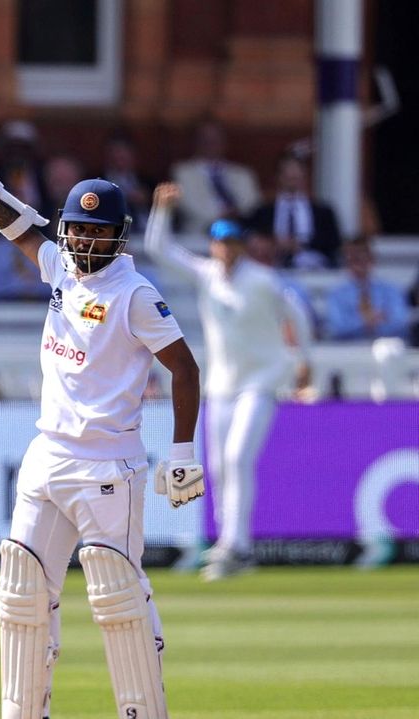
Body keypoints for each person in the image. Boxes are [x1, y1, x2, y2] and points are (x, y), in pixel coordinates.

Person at [0, 150, 202, 719]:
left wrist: (182, 450)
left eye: (96, 233)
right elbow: (20, 228)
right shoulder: (62, 268)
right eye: (76, 229)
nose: (82, 242)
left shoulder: (135, 294)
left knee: (118, 597)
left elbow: (186, 367)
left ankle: (142, 713)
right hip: (46, 455)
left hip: (108, 465)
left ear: (119, 237)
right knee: (21, 592)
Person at [146, 184, 314, 581]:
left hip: (263, 380)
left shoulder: (263, 280)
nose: (226, 249)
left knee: (239, 458)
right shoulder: (206, 275)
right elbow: (158, 249)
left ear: (242, 246)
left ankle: (236, 544)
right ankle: (230, 546)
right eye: (220, 243)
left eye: (232, 243)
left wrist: (304, 359)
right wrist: (161, 209)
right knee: (220, 466)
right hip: (222, 386)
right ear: (213, 246)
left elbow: (299, 315)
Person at [246, 153, 342, 269]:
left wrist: (301, 245)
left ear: (304, 177)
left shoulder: (323, 212)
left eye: (296, 175)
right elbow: (253, 238)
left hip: (314, 271)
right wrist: (275, 243)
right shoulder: (262, 211)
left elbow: (334, 243)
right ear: (278, 177)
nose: (292, 178)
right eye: (287, 175)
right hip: (273, 269)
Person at [171, 119, 261, 235]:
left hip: (242, 234)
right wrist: (222, 215)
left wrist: (237, 214)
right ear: (195, 141)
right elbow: (187, 205)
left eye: (216, 138)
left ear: (225, 141)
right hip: (199, 235)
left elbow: (254, 204)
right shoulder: (182, 172)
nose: (211, 143)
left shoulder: (243, 173)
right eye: (205, 138)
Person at [322, 239, 409, 342]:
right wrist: (366, 321)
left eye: (362, 259)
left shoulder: (391, 290)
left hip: (387, 344)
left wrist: (372, 326)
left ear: (372, 260)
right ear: (346, 262)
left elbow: (401, 323)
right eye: (354, 260)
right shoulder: (336, 294)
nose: (358, 265)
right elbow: (337, 328)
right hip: (348, 349)